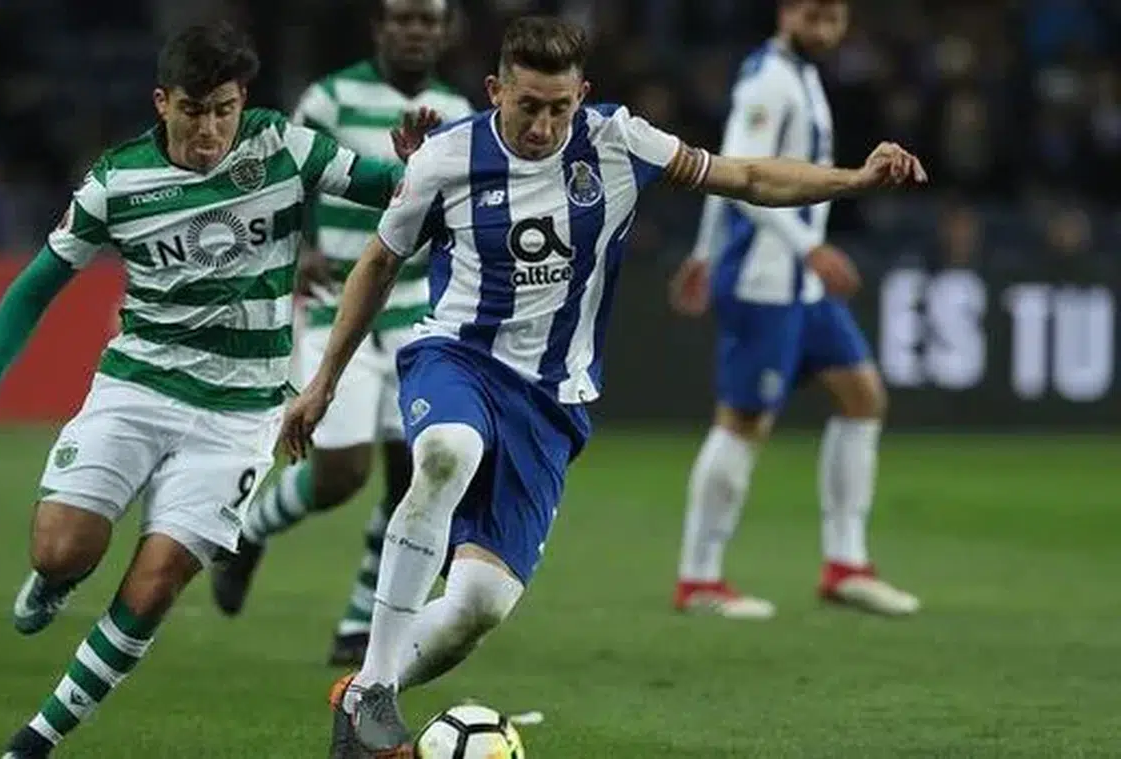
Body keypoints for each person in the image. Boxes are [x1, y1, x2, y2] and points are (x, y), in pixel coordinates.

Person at [276, 15, 926, 758]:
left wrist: (854, 180)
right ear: (495, 91)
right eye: (528, 106)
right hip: (457, 357)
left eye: (560, 108)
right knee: (447, 451)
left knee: (478, 606)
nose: (543, 126)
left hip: (551, 399)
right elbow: (379, 262)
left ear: (582, 95)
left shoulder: (618, 141)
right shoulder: (447, 156)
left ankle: (363, 692)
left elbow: (746, 176)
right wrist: (322, 382)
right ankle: (374, 692)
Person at [0, 22, 431, 759]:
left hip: (239, 415)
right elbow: (38, 282)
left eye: (224, 109)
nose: (210, 129)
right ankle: (56, 578)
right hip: (137, 389)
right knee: (59, 548)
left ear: (242, 101)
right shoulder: (116, 181)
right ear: (162, 102)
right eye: (194, 111)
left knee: (157, 579)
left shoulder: (279, 146)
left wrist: (415, 166)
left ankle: (35, 739)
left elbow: (386, 186)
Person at [211, 0, 473, 669]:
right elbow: (284, 173)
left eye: (428, 20)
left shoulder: (459, 108)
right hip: (340, 306)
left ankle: (358, 623)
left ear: (444, 31)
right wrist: (300, 246)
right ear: (379, 28)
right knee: (339, 474)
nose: (416, 31)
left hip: (417, 309)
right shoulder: (328, 98)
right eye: (403, 19)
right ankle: (250, 531)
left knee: (416, 474)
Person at [668, 0, 921, 620]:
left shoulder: (798, 75)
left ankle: (845, 565)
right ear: (786, 12)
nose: (826, 29)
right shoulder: (770, 82)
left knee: (863, 396)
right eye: (814, 16)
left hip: (800, 284)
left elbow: (729, 164)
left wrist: (701, 251)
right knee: (744, 422)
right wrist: (807, 247)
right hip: (764, 278)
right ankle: (698, 578)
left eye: (835, 18)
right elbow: (738, 178)